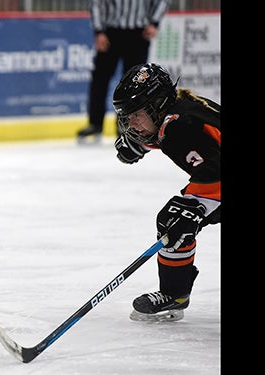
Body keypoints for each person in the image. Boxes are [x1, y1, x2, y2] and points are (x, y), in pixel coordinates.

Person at [111, 63, 220, 322]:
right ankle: (175, 294)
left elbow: (214, 174)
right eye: (128, 117)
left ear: (157, 103)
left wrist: (194, 208)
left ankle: (175, 293)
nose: (131, 123)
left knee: (176, 219)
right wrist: (144, 143)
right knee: (177, 218)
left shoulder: (182, 128)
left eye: (136, 114)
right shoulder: (177, 109)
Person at [77, 0, 171, 144]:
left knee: (136, 85)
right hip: (111, 32)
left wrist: (154, 23)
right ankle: (95, 123)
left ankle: (128, 126)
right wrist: (99, 31)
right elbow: (96, 3)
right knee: (100, 79)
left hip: (139, 33)